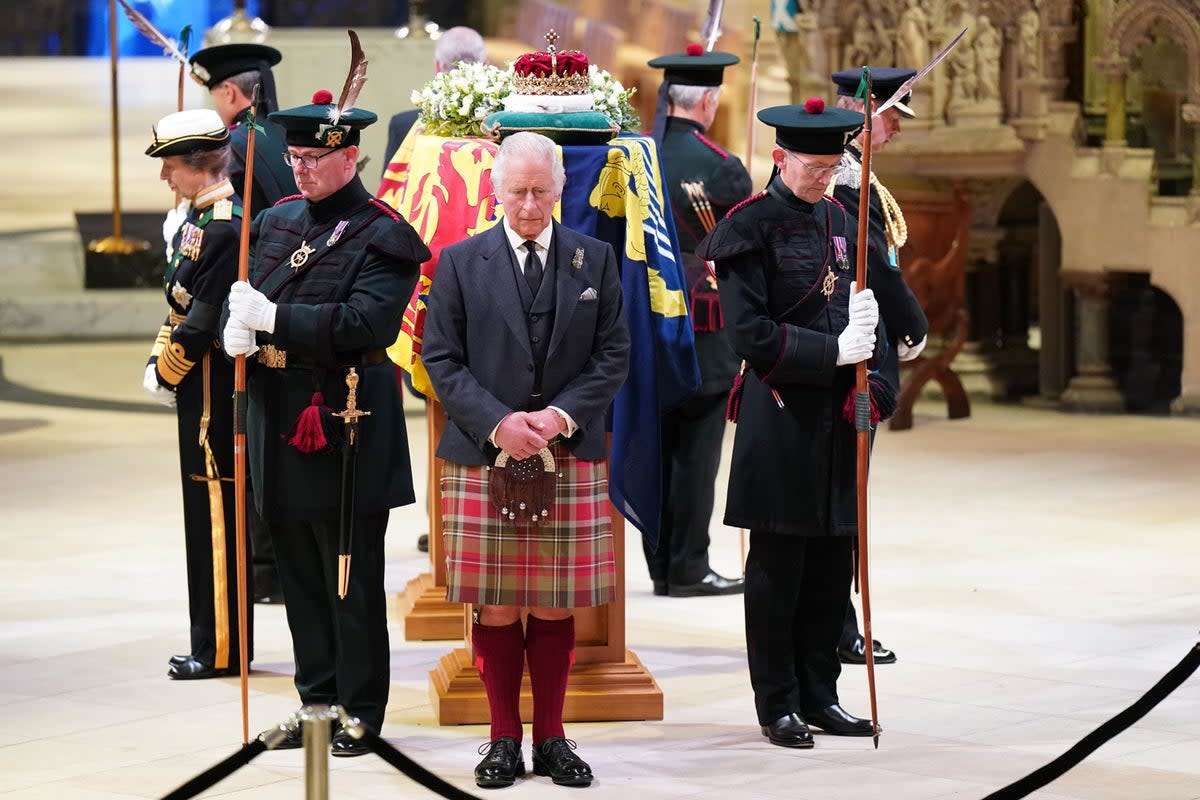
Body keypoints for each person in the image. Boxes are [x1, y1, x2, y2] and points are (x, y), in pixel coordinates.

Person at [220, 88, 430, 756]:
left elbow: (365, 323)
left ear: (350, 157)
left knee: (349, 576)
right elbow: (253, 287)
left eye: (314, 158)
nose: (302, 168)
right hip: (280, 413)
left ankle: (361, 711)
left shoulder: (383, 234)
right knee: (299, 576)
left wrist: (274, 319)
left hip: (347, 423)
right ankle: (317, 701)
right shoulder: (278, 221)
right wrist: (239, 326)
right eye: (295, 157)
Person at [421, 132, 630, 788]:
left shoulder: (594, 260)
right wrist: (498, 424)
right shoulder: (458, 261)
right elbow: (440, 358)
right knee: (498, 606)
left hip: (568, 451)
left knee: (555, 604)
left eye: (543, 191)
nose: (531, 205)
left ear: (561, 187)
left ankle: (553, 738)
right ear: (496, 188)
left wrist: (559, 418)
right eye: (519, 192)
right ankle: (502, 739)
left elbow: (614, 353)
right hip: (485, 455)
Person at [697, 97, 885, 748]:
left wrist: (875, 374)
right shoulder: (748, 227)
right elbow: (749, 333)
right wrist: (829, 351)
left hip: (837, 419)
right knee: (779, 570)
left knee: (834, 563)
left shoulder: (842, 218)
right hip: (779, 413)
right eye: (813, 166)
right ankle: (777, 702)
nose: (824, 177)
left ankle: (820, 692)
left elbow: (870, 316)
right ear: (779, 158)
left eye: (833, 166)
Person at [142, 108, 251, 680]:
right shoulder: (200, 219)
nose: (165, 178)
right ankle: (210, 641)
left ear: (198, 165)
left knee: (215, 518)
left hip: (208, 394)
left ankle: (223, 648)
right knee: (200, 514)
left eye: (169, 167)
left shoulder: (223, 225)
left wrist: (167, 369)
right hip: (196, 389)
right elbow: (179, 301)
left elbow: (201, 320)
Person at [189, 42, 298, 603]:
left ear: (230, 93)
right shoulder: (284, 135)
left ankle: (263, 569)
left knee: (250, 441)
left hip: (251, 304)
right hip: (295, 307)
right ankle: (280, 564)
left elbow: (232, 231)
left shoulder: (237, 144)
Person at [829, 67, 930, 667]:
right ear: (863, 113)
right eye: (891, 117)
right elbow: (876, 266)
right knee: (843, 499)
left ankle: (836, 622)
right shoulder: (840, 180)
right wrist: (913, 325)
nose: (894, 131)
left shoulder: (848, 173)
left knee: (847, 496)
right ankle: (838, 626)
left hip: (858, 350)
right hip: (849, 358)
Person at [643, 46, 751, 598]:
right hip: (705, 329)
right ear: (709, 100)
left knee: (656, 449)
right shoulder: (723, 167)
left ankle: (660, 563)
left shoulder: (634, 157)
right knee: (698, 454)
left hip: (645, 325)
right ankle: (689, 567)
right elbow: (742, 253)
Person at [380, 24, 487, 555]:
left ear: (438, 72)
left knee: (437, 409)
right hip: (492, 288)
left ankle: (441, 519)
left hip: (427, 289)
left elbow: (389, 211)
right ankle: (448, 519)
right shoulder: (508, 128)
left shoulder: (407, 126)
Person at [380, 25, 487, 179]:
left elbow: (390, 193)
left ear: (438, 66)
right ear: (486, 65)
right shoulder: (500, 126)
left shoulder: (403, 126)